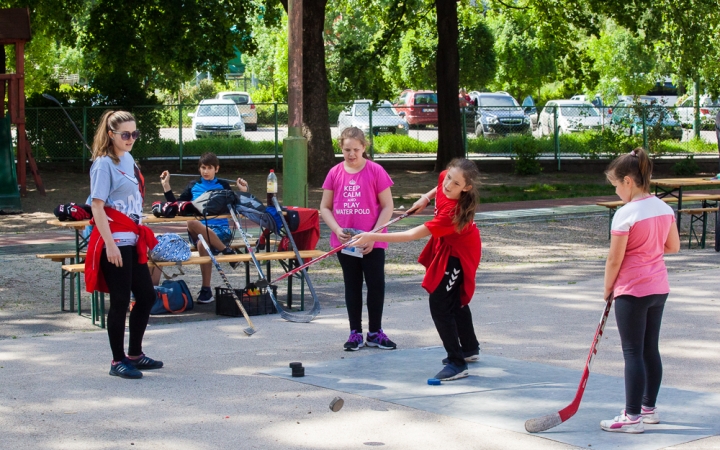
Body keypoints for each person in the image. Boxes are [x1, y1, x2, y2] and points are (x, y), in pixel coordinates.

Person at [352, 158, 482, 381]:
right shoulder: (446, 180)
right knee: (451, 298)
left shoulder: (452, 213)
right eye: (449, 177)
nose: (448, 185)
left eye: (456, 184)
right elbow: (440, 182)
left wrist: (370, 235)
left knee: (441, 303)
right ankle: (469, 348)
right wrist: (426, 198)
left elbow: (411, 235)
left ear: (466, 188)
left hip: (460, 254)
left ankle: (457, 362)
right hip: (449, 246)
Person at [599, 147, 680, 433]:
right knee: (649, 349)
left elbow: (614, 259)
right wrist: (648, 250)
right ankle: (649, 409)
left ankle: (632, 417)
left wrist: (608, 289)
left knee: (632, 352)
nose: (617, 192)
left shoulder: (625, 214)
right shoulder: (664, 207)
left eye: (616, 186)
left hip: (632, 290)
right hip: (659, 288)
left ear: (628, 181)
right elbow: (673, 246)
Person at [85, 110, 162, 380]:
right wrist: (110, 245)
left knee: (147, 296)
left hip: (132, 237)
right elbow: (97, 206)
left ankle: (134, 354)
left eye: (135, 134)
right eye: (125, 134)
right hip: (114, 241)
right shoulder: (103, 164)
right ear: (111, 135)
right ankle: (117, 360)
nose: (131, 139)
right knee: (119, 300)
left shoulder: (129, 158)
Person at [320, 127, 396, 351]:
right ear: (340, 148)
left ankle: (375, 332)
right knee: (351, 285)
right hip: (346, 242)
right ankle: (355, 332)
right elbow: (324, 207)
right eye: (346, 150)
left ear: (364, 147)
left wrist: (374, 235)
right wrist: (336, 229)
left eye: (355, 149)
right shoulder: (334, 173)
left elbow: (387, 206)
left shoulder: (375, 171)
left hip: (372, 239)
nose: (351, 154)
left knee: (375, 284)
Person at [160, 152, 249, 303]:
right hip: (198, 229)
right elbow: (177, 207)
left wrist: (243, 191)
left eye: (209, 168)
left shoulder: (223, 185)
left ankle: (206, 290)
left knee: (203, 244)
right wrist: (166, 185)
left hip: (220, 231)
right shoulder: (193, 186)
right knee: (191, 223)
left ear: (217, 169)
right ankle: (226, 252)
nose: (206, 171)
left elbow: (240, 207)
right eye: (203, 168)